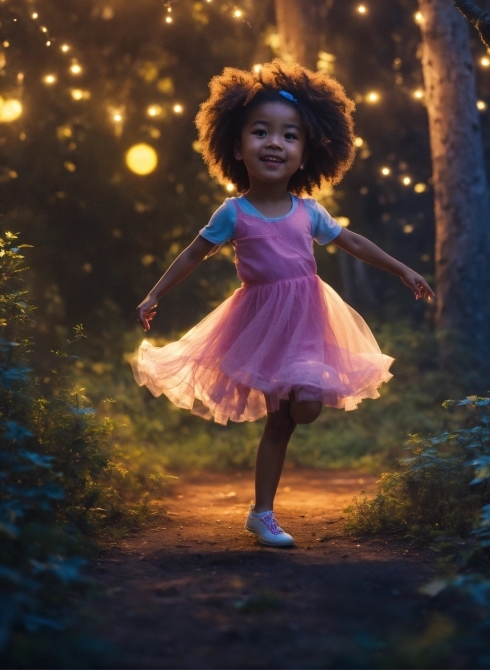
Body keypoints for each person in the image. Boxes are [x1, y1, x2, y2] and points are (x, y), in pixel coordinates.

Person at [132, 60, 433, 548]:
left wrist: (402, 269)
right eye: (261, 132)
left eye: (289, 136)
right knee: (281, 421)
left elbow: (353, 242)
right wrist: (155, 294)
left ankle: (262, 505)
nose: (274, 143)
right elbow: (194, 252)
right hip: (262, 326)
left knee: (306, 409)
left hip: (309, 319)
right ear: (236, 146)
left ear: (305, 154)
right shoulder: (233, 212)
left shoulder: (308, 211)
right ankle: (262, 513)